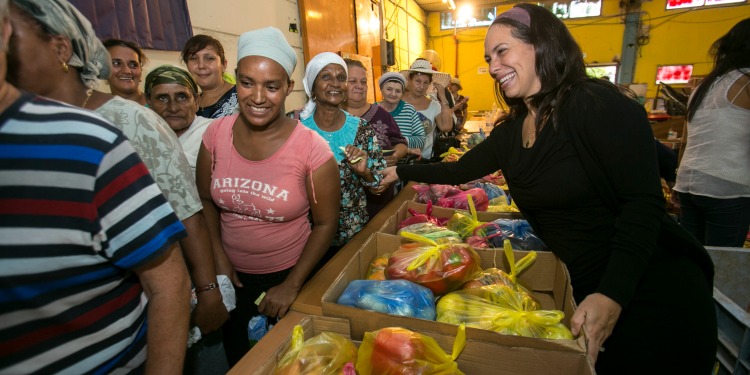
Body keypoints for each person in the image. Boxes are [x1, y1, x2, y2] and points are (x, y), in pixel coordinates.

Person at [380, 4, 716, 374]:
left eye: (502, 51)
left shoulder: (597, 105)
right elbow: (461, 169)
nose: (492, 67)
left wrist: (613, 294)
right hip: (586, 289)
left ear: (541, 44)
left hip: (649, 289)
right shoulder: (512, 131)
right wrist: (400, 171)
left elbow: (642, 204)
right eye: (489, 58)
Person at [6, 0, 230, 344]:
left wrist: (210, 287)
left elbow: (188, 212)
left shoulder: (133, 120)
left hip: (132, 311)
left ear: (62, 48)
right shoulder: (22, 124)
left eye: (10, 36)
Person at [196, 27, 340, 366]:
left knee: (288, 363)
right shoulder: (215, 135)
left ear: (288, 88)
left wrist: (291, 285)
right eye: (247, 83)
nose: (258, 97)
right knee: (240, 359)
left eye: (271, 86)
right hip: (232, 276)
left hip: (290, 274)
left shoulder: (311, 149)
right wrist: (218, 258)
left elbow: (325, 222)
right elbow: (204, 200)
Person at [299, 52, 387, 254]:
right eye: (326, 77)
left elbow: (378, 186)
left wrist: (364, 172)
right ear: (312, 87)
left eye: (341, 78)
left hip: (351, 235)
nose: (335, 83)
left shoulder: (362, 129)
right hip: (303, 237)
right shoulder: (295, 127)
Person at [673, 18, 750, 247]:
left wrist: (678, 181)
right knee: (721, 260)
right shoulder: (746, 81)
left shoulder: (705, 85)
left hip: (689, 182)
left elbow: (686, 141)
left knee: (694, 260)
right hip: (727, 186)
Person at [341, 58, 408, 217]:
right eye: (352, 81)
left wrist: (395, 155)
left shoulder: (381, 114)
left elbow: (401, 143)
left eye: (363, 82)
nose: (359, 86)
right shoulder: (333, 118)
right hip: (344, 204)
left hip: (379, 196)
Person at [145, 65, 214, 175]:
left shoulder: (215, 132)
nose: (173, 108)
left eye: (182, 97)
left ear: (196, 101)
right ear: (149, 103)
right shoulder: (142, 137)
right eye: (163, 98)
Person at [400, 58, 454, 161]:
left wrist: (442, 97)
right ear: (410, 80)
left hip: (425, 161)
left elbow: (446, 127)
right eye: (418, 81)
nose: (421, 86)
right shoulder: (397, 102)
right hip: (399, 160)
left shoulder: (433, 105)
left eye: (426, 82)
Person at [182, 34, 238, 119]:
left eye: (209, 58)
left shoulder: (242, 97)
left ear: (223, 65)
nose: (201, 65)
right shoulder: (187, 105)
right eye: (193, 58)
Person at [376, 71, 426, 155]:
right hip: (378, 162)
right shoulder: (373, 110)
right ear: (381, 89)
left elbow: (421, 140)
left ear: (402, 93)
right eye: (389, 89)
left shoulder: (409, 110)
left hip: (404, 162)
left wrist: (399, 142)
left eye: (398, 91)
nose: (393, 94)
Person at [103, 38, 148, 105]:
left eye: (133, 65)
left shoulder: (157, 106)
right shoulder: (95, 106)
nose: (127, 71)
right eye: (117, 63)